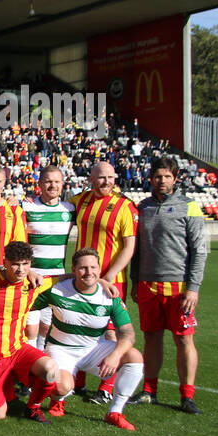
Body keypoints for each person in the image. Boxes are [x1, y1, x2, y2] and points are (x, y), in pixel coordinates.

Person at [129, 156, 209, 414]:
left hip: (179, 288)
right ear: (150, 178)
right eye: (157, 176)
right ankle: (149, 391)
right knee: (151, 338)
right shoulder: (142, 207)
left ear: (175, 179)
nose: (161, 181)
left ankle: (187, 395)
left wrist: (193, 287)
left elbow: (199, 250)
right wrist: (134, 280)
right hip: (147, 285)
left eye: (167, 176)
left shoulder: (190, 206)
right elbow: (137, 250)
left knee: (183, 340)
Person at [36, 249, 144, 430]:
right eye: (83, 268)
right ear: (74, 269)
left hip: (94, 348)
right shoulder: (57, 290)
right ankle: (57, 399)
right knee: (62, 387)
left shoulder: (109, 296)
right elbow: (26, 299)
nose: (89, 272)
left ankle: (115, 412)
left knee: (134, 357)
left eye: (93, 267)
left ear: (100, 268)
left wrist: (115, 355)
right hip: (61, 349)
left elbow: (128, 334)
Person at [0, 241, 61, 424]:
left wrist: (100, 281)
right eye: (16, 264)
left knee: (51, 370)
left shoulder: (33, 282)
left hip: (18, 350)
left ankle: (33, 407)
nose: (21, 269)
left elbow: (68, 277)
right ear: (5, 261)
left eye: (26, 264)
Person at [69, 160, 137, 401]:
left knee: (110, 333)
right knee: (80, 325)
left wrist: (108, 276)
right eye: (100, 177)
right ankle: (78, 382)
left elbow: (129, 247)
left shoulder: (124, 207)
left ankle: (106, 389)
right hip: (83, 276)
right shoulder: (81, 200)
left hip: (111, 279)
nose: (106, 182)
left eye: (110, 177)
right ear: (91, 178)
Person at [23, 165, 76, 349]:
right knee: (29, 328)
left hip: (57, 279)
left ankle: (40, 368)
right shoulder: (27, 206)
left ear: (62, 184)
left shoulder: (70, 209)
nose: (52, 185)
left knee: (46, 327)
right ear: (39, 184)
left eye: (56, 182)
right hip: (32, 277)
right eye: (48, 181)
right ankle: (28, 368)